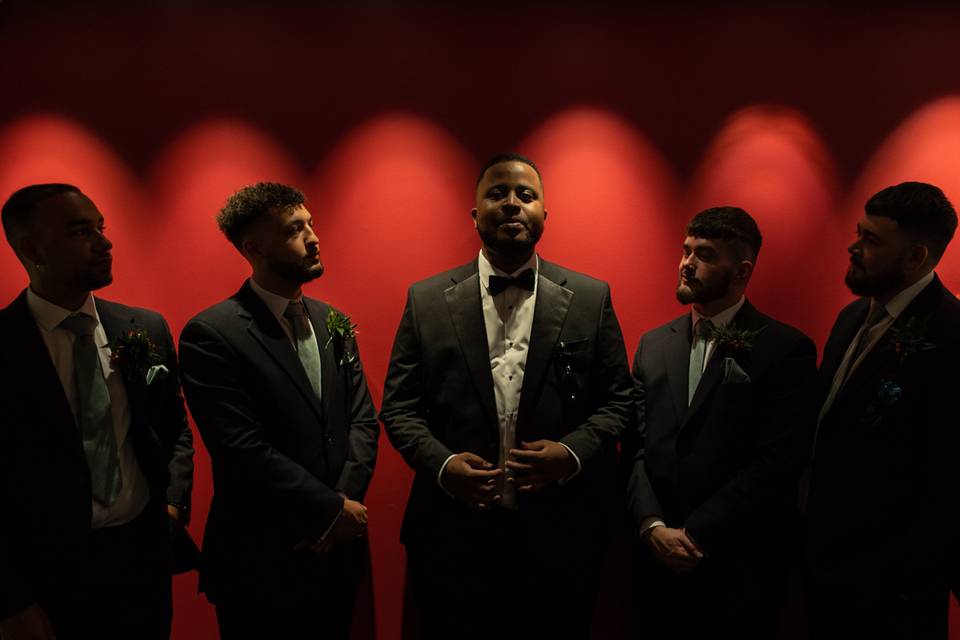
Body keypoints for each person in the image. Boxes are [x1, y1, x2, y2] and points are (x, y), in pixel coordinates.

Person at [380, 153, 634, 639]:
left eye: (526, 194)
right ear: (475, 214)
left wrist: (571, 454)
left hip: (563, 535)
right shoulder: (426, 299)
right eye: (497, 193)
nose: (513, 203)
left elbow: (620, 400)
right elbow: (398, 406)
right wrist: (442, 465)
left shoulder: (590, 296)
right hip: (452, 535)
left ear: (544, 213)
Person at [178, 182, 379, 639]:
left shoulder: (333, 319)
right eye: (294, 229)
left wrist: (342, 510)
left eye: (310, 223)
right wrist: (327, 509)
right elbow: (240, 447)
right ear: (253, 248)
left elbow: (363, 419)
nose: (313, 237)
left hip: (336, 554)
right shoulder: (212, 333)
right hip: (262, 558)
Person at [0, 184, 195, 640]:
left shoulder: (142, 327)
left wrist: (171, 506)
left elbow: (174, 428)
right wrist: (10, 599)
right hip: (46, 578)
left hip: (141, 564)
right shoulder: (5, 345)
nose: (105, 242)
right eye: (80, 230)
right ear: (32, 248)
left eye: (100, 227)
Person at [623, 206, 817, 638]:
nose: (686, 264)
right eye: (686, 250)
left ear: (742, 271)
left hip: (738, 564)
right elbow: (635, 445)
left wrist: (694, 533)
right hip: (652, 563)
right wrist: (652, 525)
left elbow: (778, 460)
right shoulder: (653, 345)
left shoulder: (786, 349)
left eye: (705, 254)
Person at [805, 182, 960, 639]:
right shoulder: (851, 318)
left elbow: (948, 481)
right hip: (827, 576)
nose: (853, 247)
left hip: (892, 597)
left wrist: (900, 581)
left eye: (871, 240)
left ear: (916, 258)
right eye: (859, 232)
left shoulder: (953, 337)